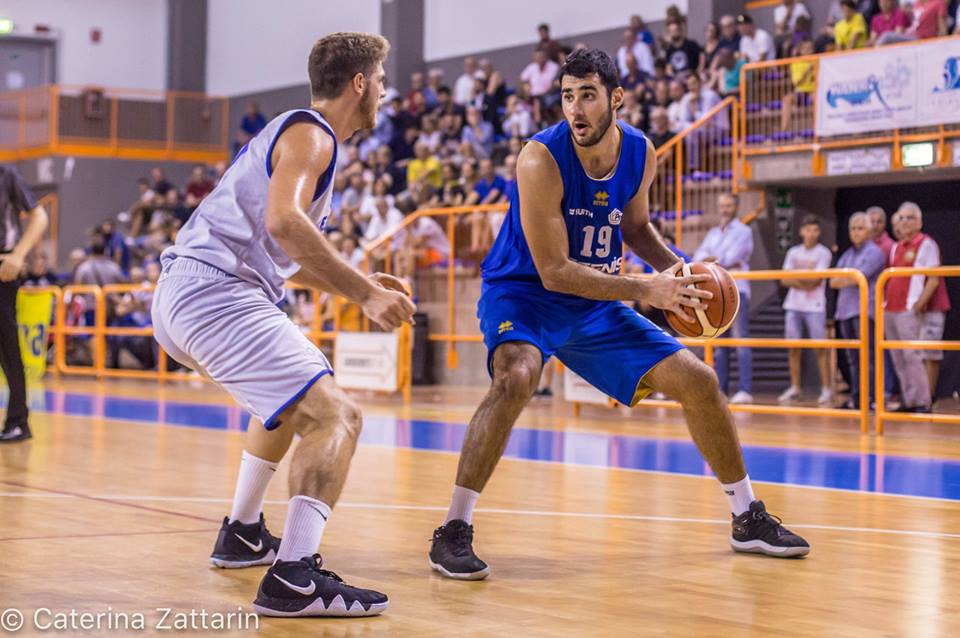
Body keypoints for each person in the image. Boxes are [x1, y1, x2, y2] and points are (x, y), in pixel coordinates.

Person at [427, 48, 809, 581]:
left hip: (596, 301)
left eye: (587, 95)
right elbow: (555, 271)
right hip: (525, 293)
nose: (576, 108)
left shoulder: (640, 151)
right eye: (567, 96)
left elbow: (634, 229)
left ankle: (747, 515)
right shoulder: (540, 158)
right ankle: (453, 530)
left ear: (616, 98)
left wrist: (680, 272)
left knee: (699, 381)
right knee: (515, 376)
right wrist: (646, 288)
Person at [151, 32, 416, 618]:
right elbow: (286, 223)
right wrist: (366, 293)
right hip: (214, 293)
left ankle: (242, 531)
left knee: (282, 401)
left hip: (192, 292)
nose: (383, 91)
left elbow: (284, 254)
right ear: (359, 83)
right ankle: (293, 577)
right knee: (336, 415)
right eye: (381, 80)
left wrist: (363, 278)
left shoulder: (301, 135)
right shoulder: (312, 133)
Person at [884, 202, 950, 412]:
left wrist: (919, 303)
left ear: (919, 222)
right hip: (890, 308)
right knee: (898, 357)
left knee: (913, 355)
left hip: (909, 308)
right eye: (901, 218)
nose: (904, 222)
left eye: (909, 218)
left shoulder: (926, 244)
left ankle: (922, 400)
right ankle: (909, 399)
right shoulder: (896, 247)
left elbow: (933, 277)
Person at [0, 165, 49, 443]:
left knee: (8, 348)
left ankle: (18, 421)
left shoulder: (7, 176)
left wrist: (18, 255)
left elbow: (39, 215)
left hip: (3, 267)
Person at [693, 193, 754, 404]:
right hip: (716, 293)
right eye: (722, 206)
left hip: (738, 290)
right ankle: (721, 389)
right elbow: (698, 257)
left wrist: (712, 259)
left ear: (736, 207)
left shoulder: (745, 231)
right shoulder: (712, 233)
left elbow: (730, 257)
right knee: (720, 344)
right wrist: (713, 260)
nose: (725, 209)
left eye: (729, 205)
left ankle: (745, 389)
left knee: (740, 341)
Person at [830, 212, 885, 409]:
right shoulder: (847, 254)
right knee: (852, 360)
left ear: (869, 231)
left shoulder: (875, 252)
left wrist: (848, 279)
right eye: (852, 228)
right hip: (844, 311)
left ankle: (870, 398)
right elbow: (833, 280)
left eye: (860, 228)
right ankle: (856, 397)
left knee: (867, 358)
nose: (855, 232)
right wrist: (848, 279)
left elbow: (858, 276)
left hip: (864, 311)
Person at [778, 215, 834, 406]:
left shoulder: (823, 253)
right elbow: (784, 279)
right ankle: (795, 387)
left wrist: (797, 279)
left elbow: (815, 281)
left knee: (820, 349)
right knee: (793, 349)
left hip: (815, 306)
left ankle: (827, 389)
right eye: (808, 229)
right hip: (793, 305)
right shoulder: (793, 252)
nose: (811, 233)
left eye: (815, 230)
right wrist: (803, 281)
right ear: (801, 231)